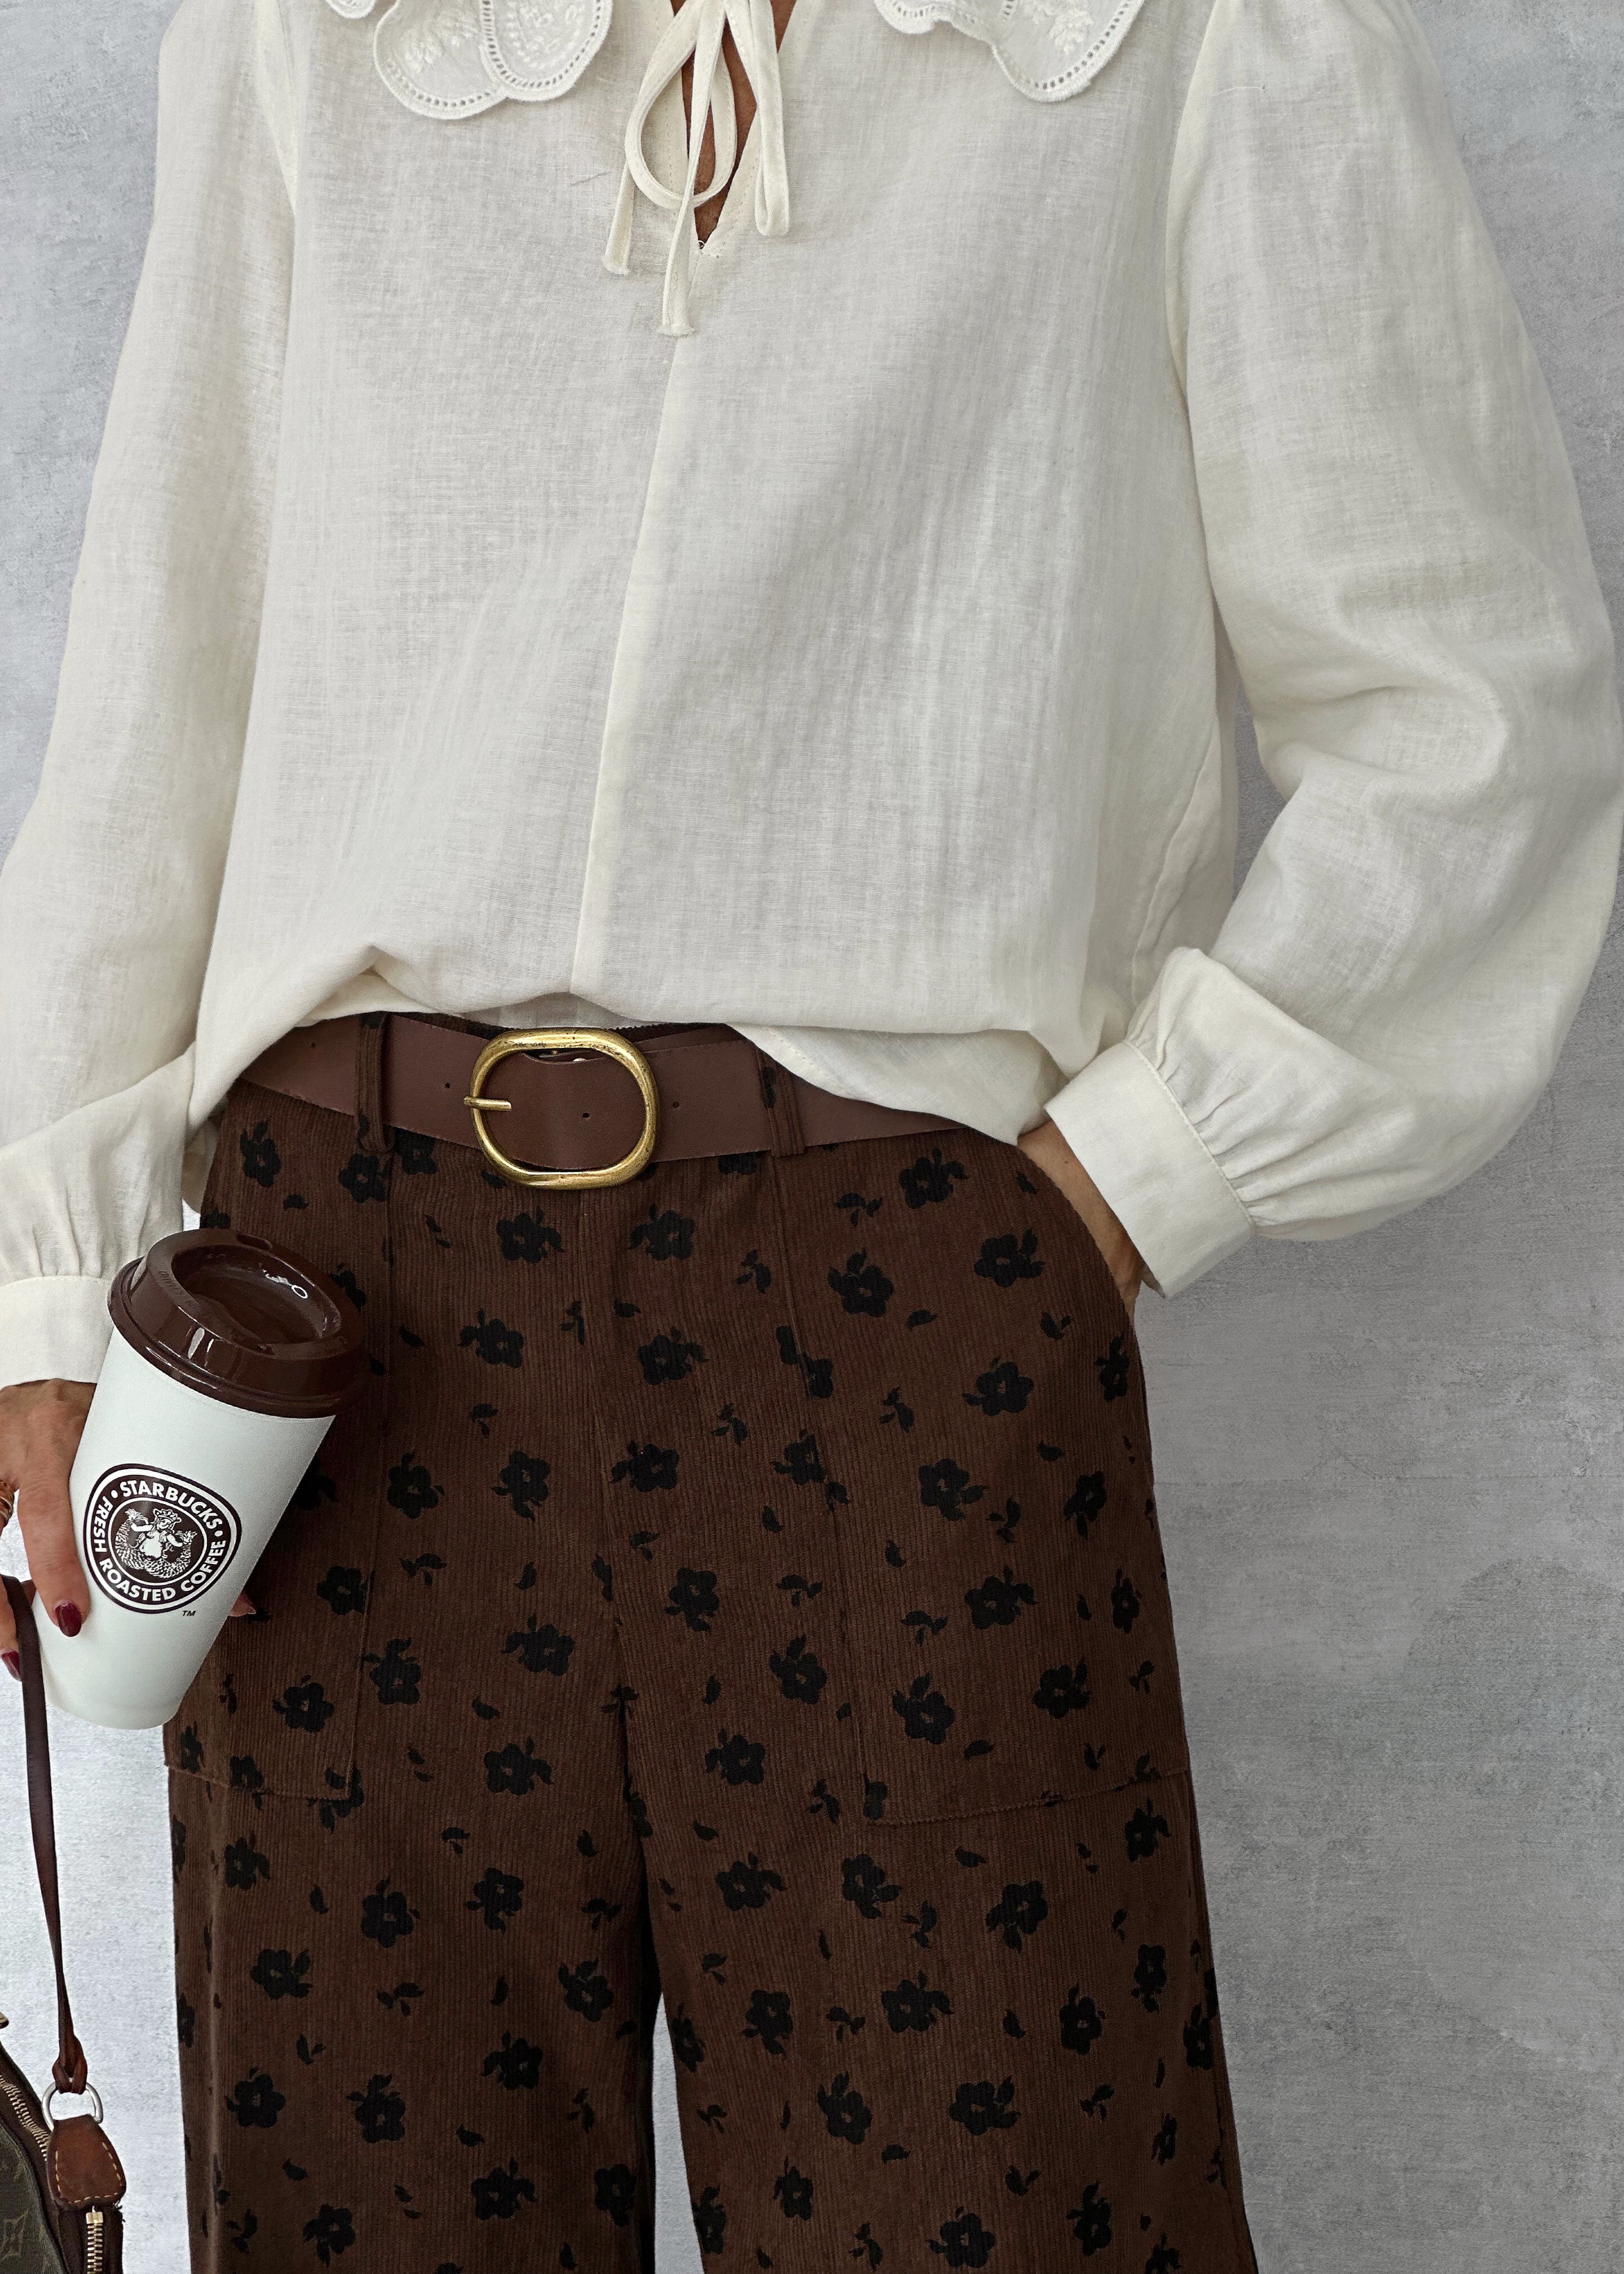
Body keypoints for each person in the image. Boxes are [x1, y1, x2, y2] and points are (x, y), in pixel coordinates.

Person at [1, 0, 1619, 2264]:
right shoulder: (312, 29)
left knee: (993, 2209)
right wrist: (48, 1288)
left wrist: (1113, 1195)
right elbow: (154, 684)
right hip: (326, 1326)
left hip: (899, 1311)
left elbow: (1474, 720)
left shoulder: (1218, 35)